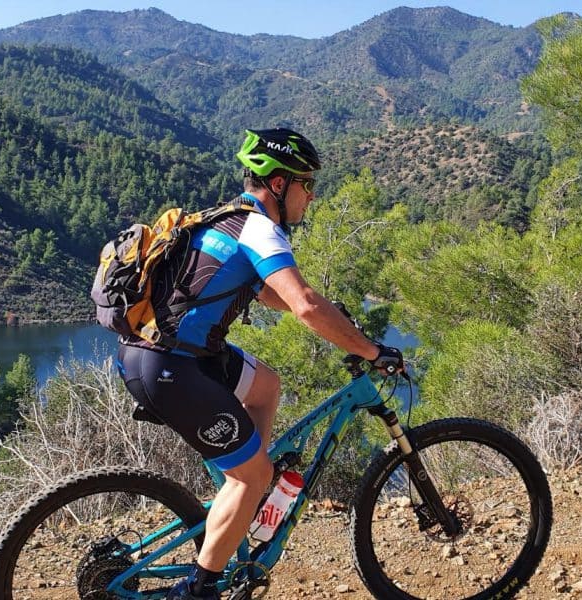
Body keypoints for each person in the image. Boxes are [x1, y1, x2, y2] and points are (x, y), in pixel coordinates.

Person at [114, 127, 403, 600]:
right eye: (307, 184)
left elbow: (271, 293)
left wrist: (336, 320)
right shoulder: (259, 228)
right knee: (251, 475)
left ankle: (248, 492)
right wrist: (371, 350)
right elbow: (303, 304)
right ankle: (201, 589)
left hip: (168, 353)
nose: (312, 195)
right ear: (279, 183)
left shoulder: (228, 218)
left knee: (266, 386)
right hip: (169, 366)